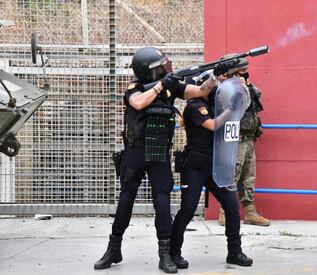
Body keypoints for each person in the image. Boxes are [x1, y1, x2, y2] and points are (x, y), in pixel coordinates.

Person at [93, 46, 233, 274]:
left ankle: (165, 254)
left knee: (162, 203)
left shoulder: (172, 87)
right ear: (149, 71)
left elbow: (199, 91)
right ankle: (113, 248)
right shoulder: (135, 87)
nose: (166, 68)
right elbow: (138, 103)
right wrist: (162, 85)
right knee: (125, 201)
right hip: (135, 152)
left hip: (159, 154)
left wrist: (216, 75)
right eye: (161, 66)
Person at [170, 79, 253, 269]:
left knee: (232, 207)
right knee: (188, 208)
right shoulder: (194, 107)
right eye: (212, 87)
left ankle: (235, 252)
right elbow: (213, 125)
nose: (215, 90)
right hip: (194, 168)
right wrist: (230, 109)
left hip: (217, 166)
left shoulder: (215, 104)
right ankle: (173, 252)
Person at [218, 55, 270, 226]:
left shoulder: (245, 86)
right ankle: (224, 212)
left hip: (248, 138)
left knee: (248, 177)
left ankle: (250, 212)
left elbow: (257, 98)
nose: (246, 75)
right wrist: (239, 86)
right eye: (242, 72)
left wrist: (246, 86)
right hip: (234, 139)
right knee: (232, 175)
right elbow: (242, 106)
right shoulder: (226, 89)